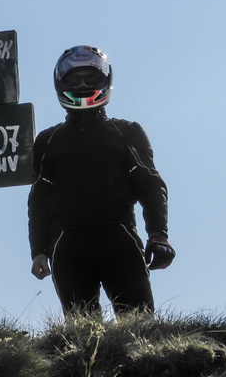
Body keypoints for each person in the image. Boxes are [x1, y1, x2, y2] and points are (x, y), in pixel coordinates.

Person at [28, 45, 175, 315]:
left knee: (139, 327)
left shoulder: (126, 131)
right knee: (83, 335)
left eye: (91, 79)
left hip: (119, 240)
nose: (83, 86)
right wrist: (38, 250)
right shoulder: (47, 141)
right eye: (74, 80)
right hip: (67, 247)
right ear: (60, 84)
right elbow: (39, 198)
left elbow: (151, 184)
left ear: (106, 82)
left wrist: (159, 235)